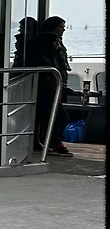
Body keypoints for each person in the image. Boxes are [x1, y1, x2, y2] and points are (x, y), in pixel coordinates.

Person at [32, 16, 74, 157]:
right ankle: (54, 143)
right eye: (61, 27)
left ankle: (43, 141)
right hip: (47, 86)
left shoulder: (48, 44)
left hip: (53, 85)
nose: (63, 30)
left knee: (47, 115)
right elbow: (52, 64)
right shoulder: (47, 43)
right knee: (58, 115)